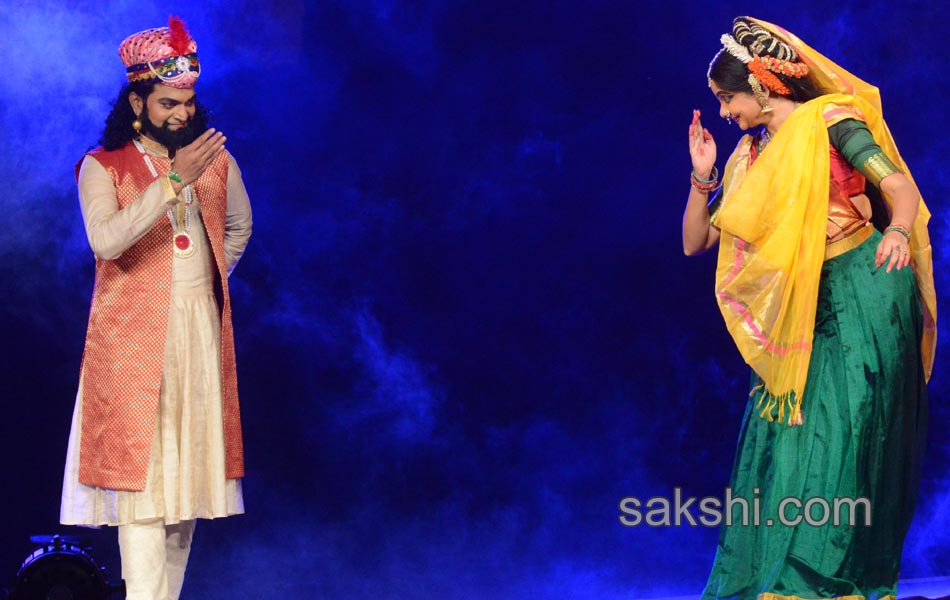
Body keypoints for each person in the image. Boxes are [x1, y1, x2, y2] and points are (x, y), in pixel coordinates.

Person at [682, 17, 935, 600]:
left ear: (763, 85)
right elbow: (697, 242)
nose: (723, 113)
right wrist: (702, 178)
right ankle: (776, 580)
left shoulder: (828, 123)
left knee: (848, 432)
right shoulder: (752, 151)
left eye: (726, 99)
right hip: (801, 303)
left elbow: (898, 187)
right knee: (786, 440)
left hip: (864, 286)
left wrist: (898, 231)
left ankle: (823, 581)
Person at [59, 16, 252, 600]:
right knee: (141, 492)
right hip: (131, 342)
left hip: (197, 334)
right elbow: (107, 241)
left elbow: (239, 227)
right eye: (169, 103)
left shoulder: (214, 159)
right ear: (137, 102)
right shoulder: (104, 165)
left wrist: (203, 284)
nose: (182, 114)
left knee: (185, 492)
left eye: (188, 102)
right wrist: (171, 181)